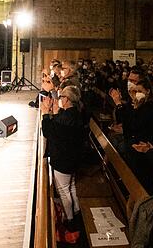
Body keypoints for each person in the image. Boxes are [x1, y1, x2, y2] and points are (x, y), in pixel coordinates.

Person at [40, 86, 84, 238]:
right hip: (73, 157)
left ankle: (70, 220)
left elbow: (48, 131)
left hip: (63, 159)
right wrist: (53, 112)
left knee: (64, 191)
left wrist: (45, 113)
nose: (59, 100)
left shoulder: (65, 119)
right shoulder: (75, 114)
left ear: (66, 100)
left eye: (60, 97)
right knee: (71, 187)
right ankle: (77, 212)